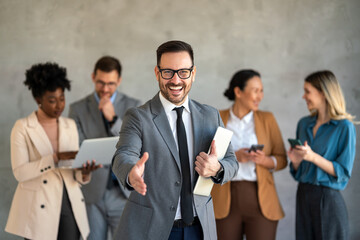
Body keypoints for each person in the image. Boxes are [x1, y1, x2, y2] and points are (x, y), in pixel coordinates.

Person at [111, 40, 238, 240]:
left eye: (183, 72)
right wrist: (130, 172)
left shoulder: (210, 115)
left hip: (199, 228)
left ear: (193, 73)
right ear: (157, 73)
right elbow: (124, 153)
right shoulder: (138, 117)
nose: (176, 80)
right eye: (168, 72)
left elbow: (232, 162)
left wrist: (218, 168)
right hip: (153, 229)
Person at [5, 62, 100, 240]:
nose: (59, 105)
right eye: (52, 100)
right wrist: (55, 158)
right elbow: (20, 173)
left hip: (69, 200)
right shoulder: (23, 127)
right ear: (38, 100)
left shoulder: (69, 125)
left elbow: (74, 173)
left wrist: (84, 173)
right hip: (38, 204)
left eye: (62, 98)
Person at [68, 56, 140, 239]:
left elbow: (136, 143)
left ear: (119, 81)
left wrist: (114, 120)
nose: (105, 89)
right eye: (101, 83)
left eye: (111, 84)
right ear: (93, 77)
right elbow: (77, 146)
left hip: (124, 191)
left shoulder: (134, 106)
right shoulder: (77, 109)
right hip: (92, 192)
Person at [211, 70, 287, 240]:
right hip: (224, 199)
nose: (260, 96)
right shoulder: (217, 117)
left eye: (261, 90)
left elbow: (282, 159)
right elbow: (205, 158)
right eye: (255, 90)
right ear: (238, 92)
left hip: (261, 200)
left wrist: (265, 160)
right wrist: (234, 157)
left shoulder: (267, 119)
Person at [288, 70, 356, 240]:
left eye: (307, 91)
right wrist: (296, 162)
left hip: (328, 200)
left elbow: (343, 172)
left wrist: (313, 157)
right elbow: (299, 171)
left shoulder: (344, 127)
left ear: (323, 93)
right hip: (303, 195)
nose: (304, 96)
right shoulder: (303, 124)